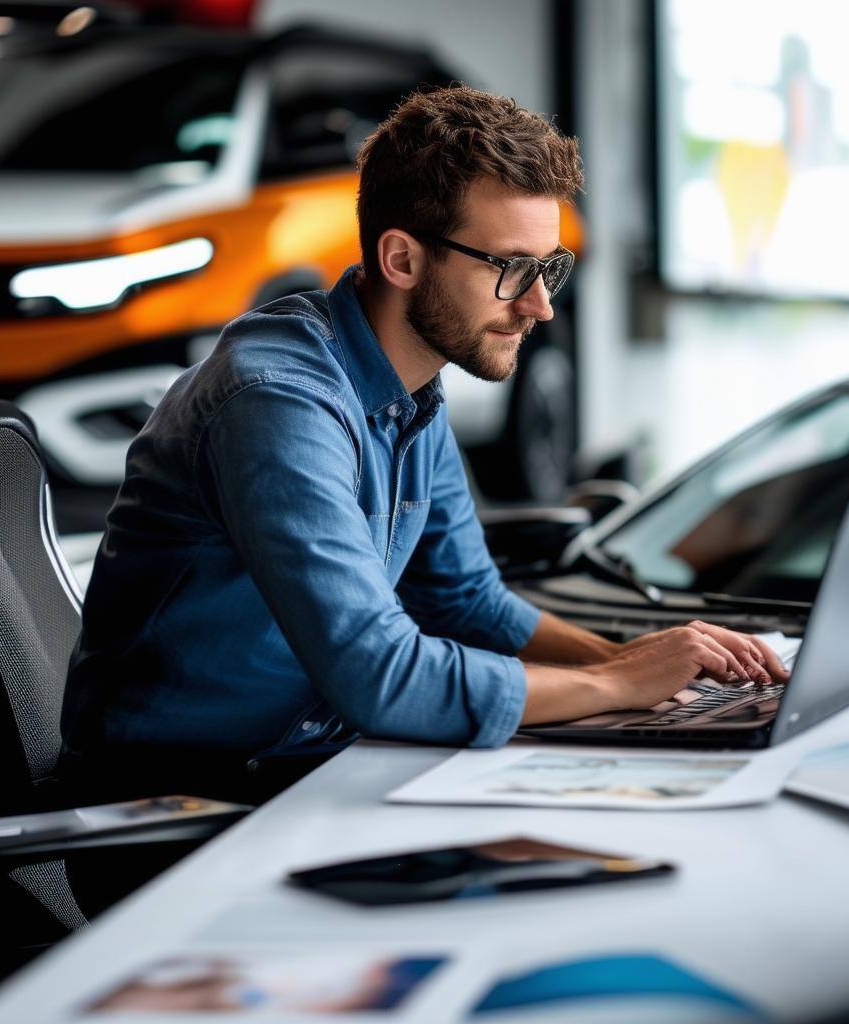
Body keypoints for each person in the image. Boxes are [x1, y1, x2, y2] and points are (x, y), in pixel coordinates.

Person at [60, 85, 787, 804]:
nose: (540, 304)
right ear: (402, 259)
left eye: (548, 267)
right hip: (180, 809)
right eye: (511, 268)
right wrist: (611, 684)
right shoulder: (278, 402)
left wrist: (646, 664)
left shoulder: (411, 387)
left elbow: (465, 599)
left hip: (314, 766)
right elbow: (379, 674)